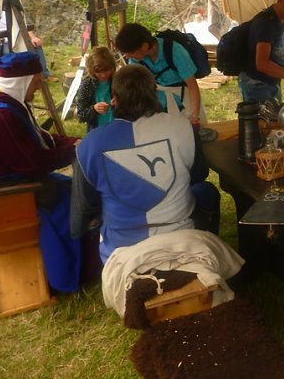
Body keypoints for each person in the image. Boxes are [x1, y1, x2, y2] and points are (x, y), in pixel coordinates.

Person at [71, 64, 221, 263]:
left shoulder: (90, 143)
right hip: (181, 235)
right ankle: (210, 241)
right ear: (154, 93)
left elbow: (85, 205)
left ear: (114, 98)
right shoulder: (182, 126)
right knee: (206, 190)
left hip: (121, 247)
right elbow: (198, 174)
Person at [0, 51, 83, 292]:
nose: (37, 89)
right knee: (75, 205)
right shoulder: (1, 117)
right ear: (23, 81)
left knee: (70, 187)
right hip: (6, 192)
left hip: (12, 178)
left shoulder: (8, 105)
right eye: (36, 83)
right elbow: (31, 163)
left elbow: (40, 139)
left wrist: (72, 142)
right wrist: (71, 152)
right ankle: (64, 277)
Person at [115, 23, 205, 125]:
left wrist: (194, 115)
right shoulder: (135, 60)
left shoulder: (174, 51)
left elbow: (192, 86)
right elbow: (135, 88)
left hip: (185, 102)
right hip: (158, 108)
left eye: (130, 52)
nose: (127, 57)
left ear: (144, 46)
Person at [76, 46, 117, 132]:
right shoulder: (86, 85)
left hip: (118, 129)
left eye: (107, 70)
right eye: (98, 71)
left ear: (113, 67)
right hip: (97, 131)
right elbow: (81, 115)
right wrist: (94, 109)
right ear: (91, 69)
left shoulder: (118, 81)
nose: (103, 75)